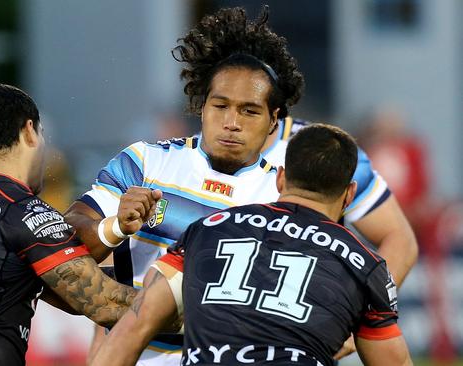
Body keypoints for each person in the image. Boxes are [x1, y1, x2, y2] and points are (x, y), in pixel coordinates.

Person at [64, 7, 417, 364]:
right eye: (221, 105)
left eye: (249, 108)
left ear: (273, 116)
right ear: (202, 105)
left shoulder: (299, 176)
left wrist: (354, 324)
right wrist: (114, 229)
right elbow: (65, 246)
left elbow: (393, 242)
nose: (232, 122)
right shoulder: (145, 163)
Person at [91, 124, 413, 366]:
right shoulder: (363, 266)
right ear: (350, 194)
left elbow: (137, 323)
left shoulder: (210, 228)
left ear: (281, 179)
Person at [0, 83, 136, 365]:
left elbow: (62, 291)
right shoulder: (21, 209)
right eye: (42, 135)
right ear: (29, 131)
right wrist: (196, 300)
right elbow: (104, 303)